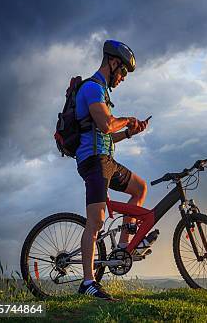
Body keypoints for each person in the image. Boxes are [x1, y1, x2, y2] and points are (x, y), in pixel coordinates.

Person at [75, 40, 149, 300]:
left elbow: (105, 135)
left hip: (105, 159)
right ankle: (87, 283)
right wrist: (127, 119)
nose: (124, 78)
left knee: (140, 189)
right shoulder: (92, 89)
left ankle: (123, 249)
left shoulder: (103, 93)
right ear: (113, 62)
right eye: (124, 72)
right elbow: (106, 126)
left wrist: (129, 132)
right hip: (93, 161)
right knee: (96, 221)